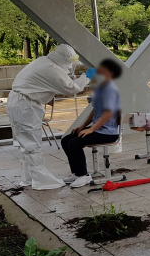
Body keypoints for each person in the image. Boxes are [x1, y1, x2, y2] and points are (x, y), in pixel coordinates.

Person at [7, 44, 89, 190]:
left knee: (25, 144)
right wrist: (87, 77)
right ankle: (41, 180)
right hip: (26, 104)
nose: (70, 67)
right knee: (32, 143)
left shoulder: (43, 61)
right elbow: (72, 88)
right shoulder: (51, 69)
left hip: (18, 101)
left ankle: (29, 178)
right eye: (69, 63)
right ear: (64, 59)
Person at [61, 59, 123, 188]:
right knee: (66, 139)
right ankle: (77, 173)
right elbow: (94, 111)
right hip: (99, 129)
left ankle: (84, 176)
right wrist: (83, 127)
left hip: (108, 132)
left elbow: (108, 113)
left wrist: (91, 129)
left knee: (74, 143)